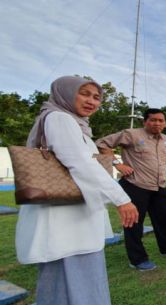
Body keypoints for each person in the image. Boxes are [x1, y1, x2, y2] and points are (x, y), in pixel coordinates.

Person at [15, 76, 139, 305]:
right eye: (84, 93)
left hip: (70, 215)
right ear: (65, 93)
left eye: (97, 97)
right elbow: (80, 162)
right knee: (75, 275)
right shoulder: (60, 118)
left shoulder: (72, 122)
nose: (92, 101)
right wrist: (122, 199)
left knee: (63, 278)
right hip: (66, 217)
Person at [96, 108, 166, 271]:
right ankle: (137, 259)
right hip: (136, 185)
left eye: (161, 120)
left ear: (165, 124)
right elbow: (102, 144)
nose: (157, 123)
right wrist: (118, 164)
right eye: (153, 120)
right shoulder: (131, 134)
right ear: (145, 121)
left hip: (160, 185)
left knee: (164, 219)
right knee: (134, 223)